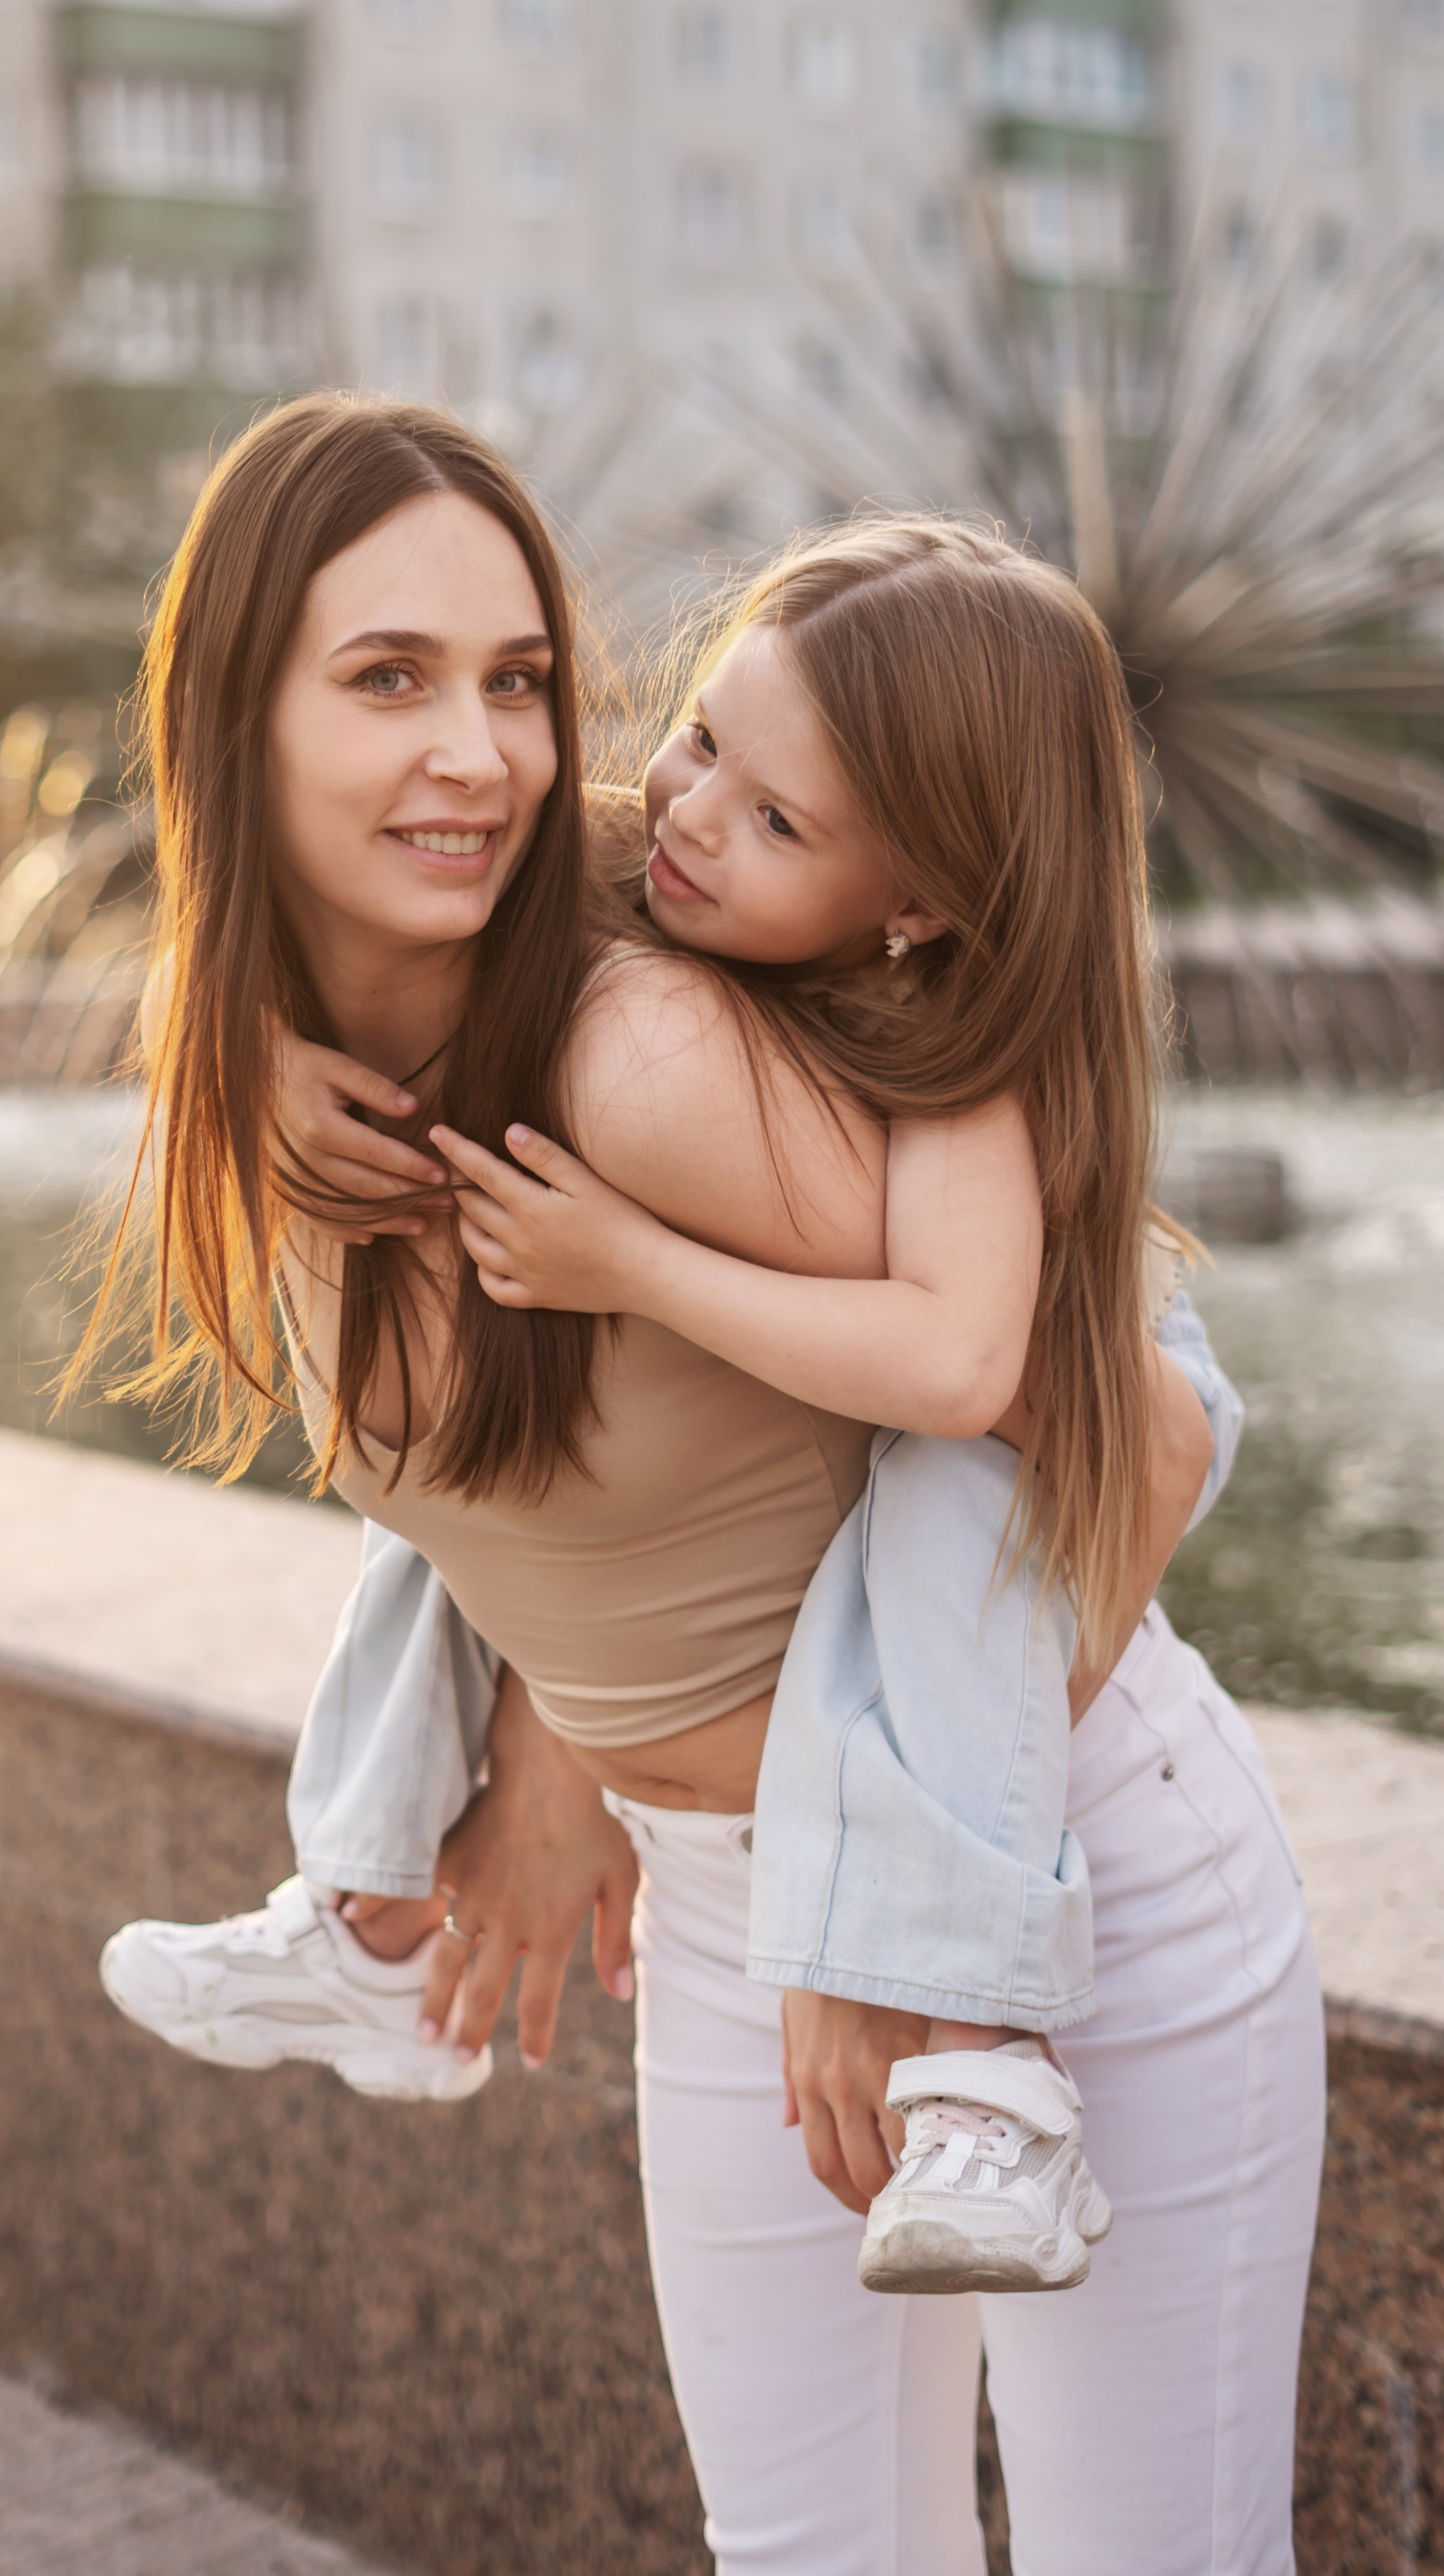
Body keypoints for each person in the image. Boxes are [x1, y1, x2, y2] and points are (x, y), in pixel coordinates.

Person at [85, 394, 1323, 2571]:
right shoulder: (315, 1066)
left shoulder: (635, 1051)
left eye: (520, 681)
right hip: (735, 1926)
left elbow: (1148, 1423)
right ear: (232, 718)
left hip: (1066, 1904)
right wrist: (574, 1751)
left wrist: (896, 1888)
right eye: (388, 679)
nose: (481, 754)